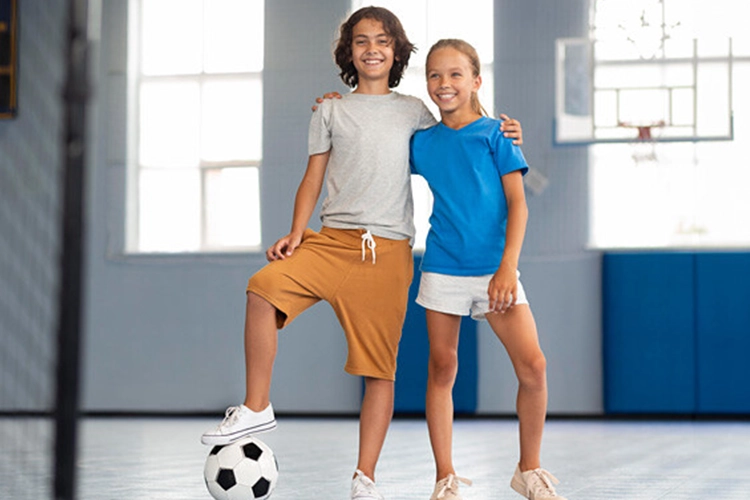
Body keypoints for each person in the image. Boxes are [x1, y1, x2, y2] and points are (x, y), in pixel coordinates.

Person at [200, 8, 523, 499]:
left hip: (387, 252)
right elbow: (312, 177)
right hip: (330, 241)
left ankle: (364, 478)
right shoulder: (330, 109)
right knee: (262, 288)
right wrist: (295, 232)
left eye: (382, 40)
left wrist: (506, 132)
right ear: (348, 53)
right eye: (360, 41)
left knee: (379, 371)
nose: (371, 48)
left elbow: (460, 129)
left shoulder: (415, 110)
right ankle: (257, 407)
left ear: (397, 51)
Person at [409, 39, 566, 500]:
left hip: (496, 271)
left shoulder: (499, 136)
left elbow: (518, 206)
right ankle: (445, 477)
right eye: (435, 75)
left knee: (533, 367)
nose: (444, 84)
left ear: (476, 81)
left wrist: (506, 269)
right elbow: (374, 139)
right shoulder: (422, 143)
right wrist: (337, 103)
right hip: (442, 267)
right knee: (442, 367)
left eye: (455, 74)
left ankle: (528, 469)